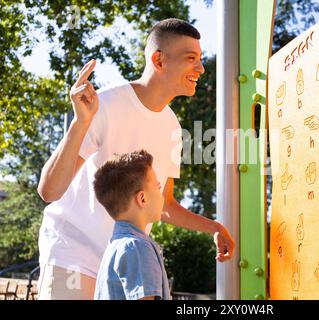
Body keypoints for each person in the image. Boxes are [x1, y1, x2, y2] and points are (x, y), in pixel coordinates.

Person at [36, 18, 235, 300]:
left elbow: (164, 205)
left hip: (120, 263)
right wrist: (80, 123)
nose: (201, 68)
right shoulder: (103, 105)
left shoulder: (172, 128)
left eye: (200, 59)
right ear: (159, 60)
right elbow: (49, 191)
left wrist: (213, 227)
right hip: (72, 254)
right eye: (191, 58)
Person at [93, 150, 170, 300]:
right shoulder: (137, 247)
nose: (162, 196)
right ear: (142, 198)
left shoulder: (117, 245)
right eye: (158, 187)